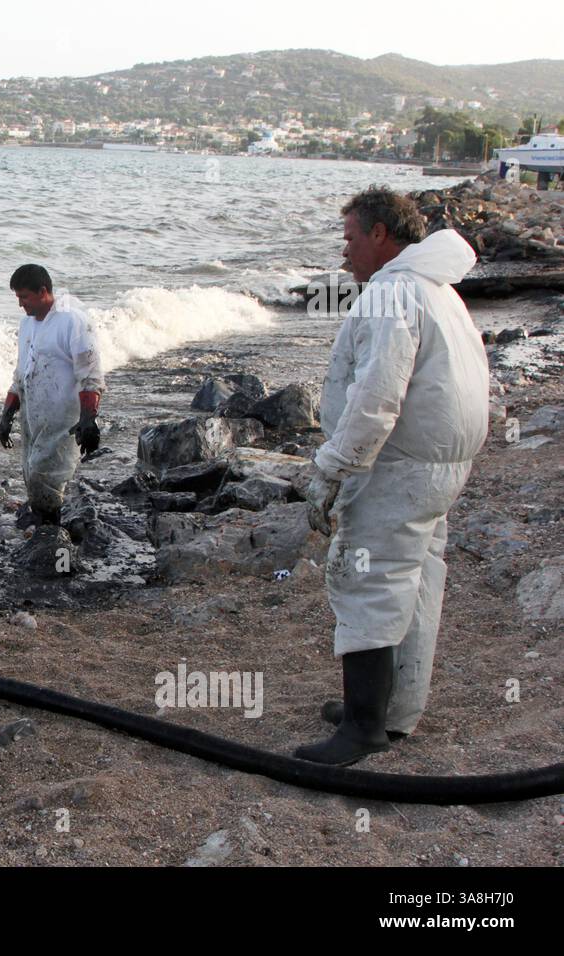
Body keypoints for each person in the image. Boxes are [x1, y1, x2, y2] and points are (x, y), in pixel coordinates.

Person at [295, 187, 489, 766]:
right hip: (440, 466)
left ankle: (362, 730)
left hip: (398, 468)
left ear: (380, 234)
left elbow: (377, 395)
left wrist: (332, 466)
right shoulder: (440, 291)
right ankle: (394, 710)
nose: (344, 250)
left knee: (369, 580)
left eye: (350, 237)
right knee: (419, 580)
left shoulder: (393, 293)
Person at [0, 264, 105, 526]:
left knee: (46, 479)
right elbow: (21, 375)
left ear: (43, 291)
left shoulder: (73, 321)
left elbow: (90, 376)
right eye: (17, 298)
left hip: (61, 420)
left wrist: (88, 419)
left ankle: (55, 545)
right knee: (32, 474)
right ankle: (47, 533)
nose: (21, 304)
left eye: (24, 297)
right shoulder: (27, 325)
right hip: (34, 417)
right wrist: (7, 414)